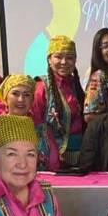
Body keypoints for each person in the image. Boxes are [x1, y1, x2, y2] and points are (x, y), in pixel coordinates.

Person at [0, 74, 59, 172]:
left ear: (32, 100)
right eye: (15, 94)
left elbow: (54, 168)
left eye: (26, 95)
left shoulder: (43, 129)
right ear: (6, 98)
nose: (20, 99)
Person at [32, 35, 86, 165]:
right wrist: (51, 153)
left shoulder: (76, 85)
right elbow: (35, 125)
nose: (64, 62)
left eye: (69, 57)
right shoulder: (41, 86)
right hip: (52, 156)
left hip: (81, 153)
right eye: (58, 57)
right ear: (49, 60)